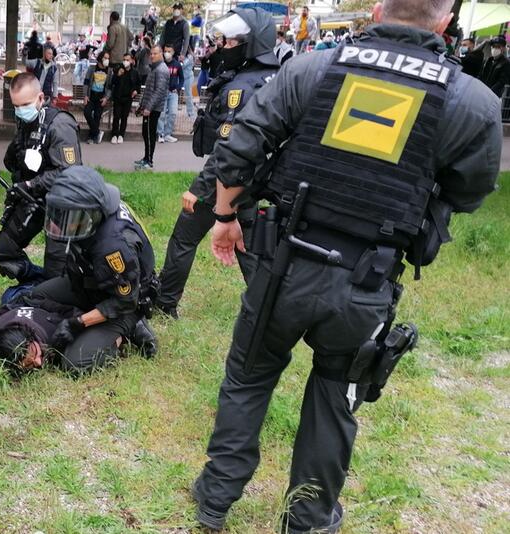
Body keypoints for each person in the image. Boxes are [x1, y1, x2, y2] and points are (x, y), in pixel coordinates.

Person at [192, 1, 501, 532]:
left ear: (379, 8)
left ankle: (216, 499)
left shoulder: (314, 68)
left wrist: (224, 216)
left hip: (283, 263)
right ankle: (308, 517)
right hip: (367, 276)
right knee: (336, 392)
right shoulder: (471, 101)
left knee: (248, 376)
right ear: (445, 23)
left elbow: (240, 146)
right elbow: (468, 192)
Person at [156, 7, 279, 319]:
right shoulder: (270, 77)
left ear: (251, 44)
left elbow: (229, 148)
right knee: (245, 243)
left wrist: (198, 189)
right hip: (255, 179)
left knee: (185, 236)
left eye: (231, 41)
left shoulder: (243, 87)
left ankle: (164, 301)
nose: (223, 46)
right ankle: (267, 308)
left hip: (226, 178)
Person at [29, 166, 158, 375]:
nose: (62, 224)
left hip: (123, 302)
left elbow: (125, 300)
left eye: (69, 218)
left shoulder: (113, 246)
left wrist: (77, 323)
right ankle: (94, 320)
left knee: (75, 363)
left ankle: (128, 331)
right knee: (37, 296)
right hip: (92, 281)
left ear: (91, 215)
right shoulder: (95, 204)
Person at [0, 72, 82, 281]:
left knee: (57, 273)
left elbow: (69, 172)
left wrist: (30, 184)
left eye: (25, 104)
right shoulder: (27, 122)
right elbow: (11, 161)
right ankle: (36, 283)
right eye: (16, 106)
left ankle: (51, 288)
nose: (20, 111)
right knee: (5, 250)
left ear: (41, 98)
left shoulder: (60, 125)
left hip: (62, 205)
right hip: (33, 199)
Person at [0, 297, 82, 374]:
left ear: (32, 338)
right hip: (9, 311)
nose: (39, 362)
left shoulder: (52, 333)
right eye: (28, 364)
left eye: (36, 353)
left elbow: (73, 313)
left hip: (31, 300)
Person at [136, 45, 167, 170]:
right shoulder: (155, 68)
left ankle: (149, 161)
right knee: (146, 133)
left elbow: (159, 91)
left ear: (161, 54)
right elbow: (149, 90)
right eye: (151, 54)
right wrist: (143, 106)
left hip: (153, 109)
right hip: (150, 107)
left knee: (149, 134)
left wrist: (148, 107)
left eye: (155, 53)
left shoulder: (161, 70)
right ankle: (146, 158)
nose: (152, 56)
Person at [107, 53, 140, 144]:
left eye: (127, 60)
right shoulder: (118, 69)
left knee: (124, 117)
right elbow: (112, 82)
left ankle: (121, 134)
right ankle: (114, 134)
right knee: (116, 116)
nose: (125, 62)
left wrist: (136, 91)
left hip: (128, 98)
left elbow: (138, 85)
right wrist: (117, 74)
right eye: (124, 59)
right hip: (118, 97)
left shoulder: (135, 72)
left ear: (132, 61)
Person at [157, 44, 184, 143]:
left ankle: (167, 134)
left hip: (173, 93)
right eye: (165, 51)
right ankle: (160, 134)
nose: (167, 53)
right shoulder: (160, 64)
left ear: (173, 52)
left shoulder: (177, 65)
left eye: (169, 51)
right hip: (162, 92)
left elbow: (181, 78)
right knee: (162, 113)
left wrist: (178, 88)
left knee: (172, 113)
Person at [83, 51, 111, 144]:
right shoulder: (92, 68)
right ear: (100, 58)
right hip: (91, 96)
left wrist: (106, 97)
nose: (107, 60)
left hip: (101, 98)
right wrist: (85, 95)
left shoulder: (109, 71)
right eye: (105, 58)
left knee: (97, 116)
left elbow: (110, 86)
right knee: (87, 112)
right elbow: (86, 82)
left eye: (108, 58)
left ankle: (92, 137)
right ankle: (97, 132)